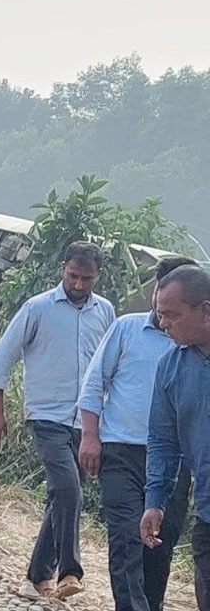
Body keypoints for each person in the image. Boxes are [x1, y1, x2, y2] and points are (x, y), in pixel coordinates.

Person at [0, 241, 115, 599]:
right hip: (46, 415)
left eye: (86, 278)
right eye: (73, 276)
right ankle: (69, 573)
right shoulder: (37, 307)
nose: (78, 284)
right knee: (69, 489)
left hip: (87, 422)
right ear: (62, 270)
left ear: (96, 276)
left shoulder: (105, 313)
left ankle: (38, 572)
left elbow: (111, 366)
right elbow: (3, 355)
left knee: (63, 494)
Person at [81, 257, 198, 611]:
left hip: (175, 461)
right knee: (126, 538)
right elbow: (93, 384)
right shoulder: (126, 328)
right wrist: (90, 436)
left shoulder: (192, 343)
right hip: (121, 452)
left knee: (159, 547)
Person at [142, 264, 210, 608]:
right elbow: (163, 440)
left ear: (206, 310)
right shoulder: (171, 368)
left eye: (172, 315)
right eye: (159, 314)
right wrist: (155, 500)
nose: (163, 323)